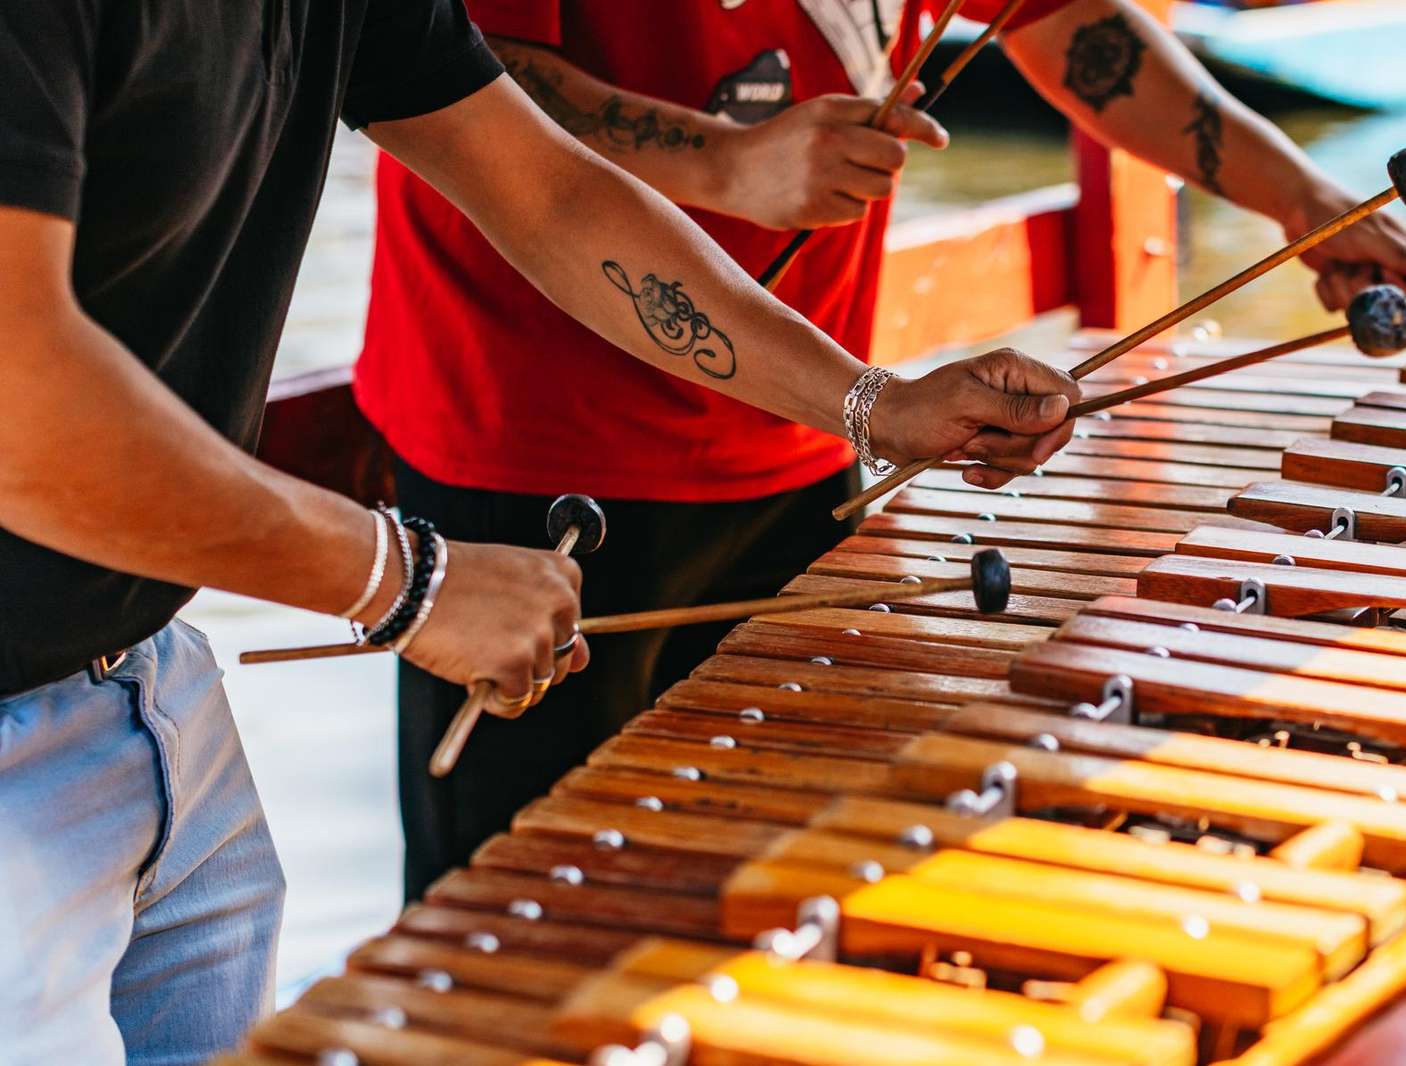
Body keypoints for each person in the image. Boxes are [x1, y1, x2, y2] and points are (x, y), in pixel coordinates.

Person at [0, 2, 1082, 1061]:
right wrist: (404, 582)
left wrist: (871, 404)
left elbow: (552, 194)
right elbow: (21, 410)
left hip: (152, 683)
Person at [360, 0, 1406, 903]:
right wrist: (729, 163)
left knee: (774, 890)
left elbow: (1068, 26)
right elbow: (444, 60)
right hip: (528, 446)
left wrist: (1296, 196)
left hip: (812, 420)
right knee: (519, 922)